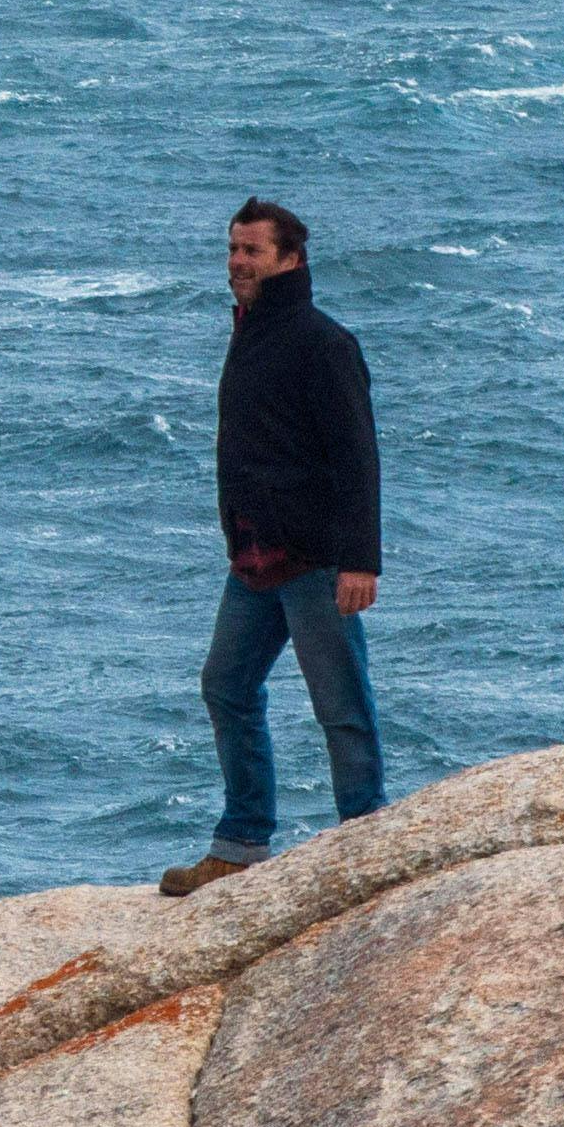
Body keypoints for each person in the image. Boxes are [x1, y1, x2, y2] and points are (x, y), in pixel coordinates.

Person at [172, 196, 382, 895]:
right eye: (232, 249)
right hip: (255, 556)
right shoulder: (251, 327)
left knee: (341, 707)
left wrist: (360, 561)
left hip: (316, 560)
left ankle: (365, 846)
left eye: (251, 251)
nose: (236, 262)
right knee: (226, 686)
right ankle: (240, 845)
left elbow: (357, 457)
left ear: (290, 259)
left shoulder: (323, 342)